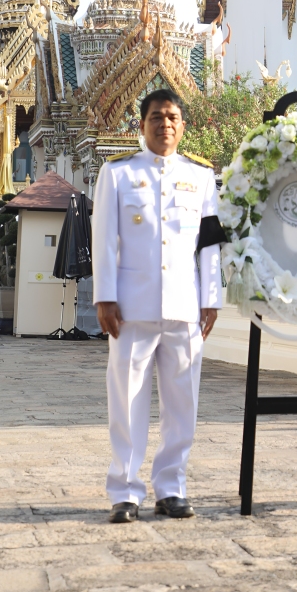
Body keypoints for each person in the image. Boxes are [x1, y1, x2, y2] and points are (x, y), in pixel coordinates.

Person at [92, 88, 226, 524]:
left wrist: (211, 298)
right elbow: (104, 239)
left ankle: (171, 488)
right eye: (156, 117)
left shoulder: (201, 176)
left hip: (185, 307)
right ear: (142, 124)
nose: (164, 124)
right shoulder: (118, 173)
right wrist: (104, 297)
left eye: (172, 117)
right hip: (130, 309)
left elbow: (210, 245)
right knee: (127, 402)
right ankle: (125, 491)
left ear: (182, 126)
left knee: (182, 403)